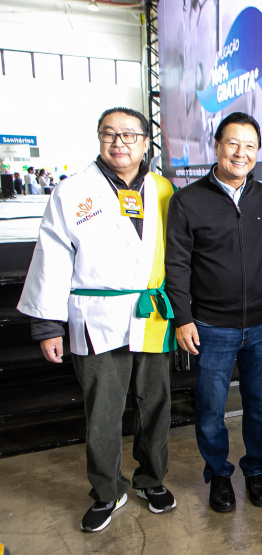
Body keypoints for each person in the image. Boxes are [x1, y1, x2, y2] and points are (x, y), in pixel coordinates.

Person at [17, 107, 178, 532]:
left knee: (156, 404)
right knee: (103, 412)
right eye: (110, 134)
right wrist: (47, 324)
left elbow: (180, 255)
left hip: (153, 314)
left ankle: (150, 479)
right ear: (99, 140)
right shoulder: (73, 192)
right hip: (95, 317)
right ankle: (107, 490)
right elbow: (52, 255)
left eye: (129, 134)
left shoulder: (164, 190)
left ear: (146, 141)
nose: (119, 142)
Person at [165, 112, 262, 513]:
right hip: (212, 326)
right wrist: (182, 318)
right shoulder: (187, 201)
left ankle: (256, 470)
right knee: (211, 408)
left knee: (259, 404)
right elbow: (175, 266)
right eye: (233, 143)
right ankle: (218, 475)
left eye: (250, 146)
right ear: (216, 146)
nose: (241, 153)